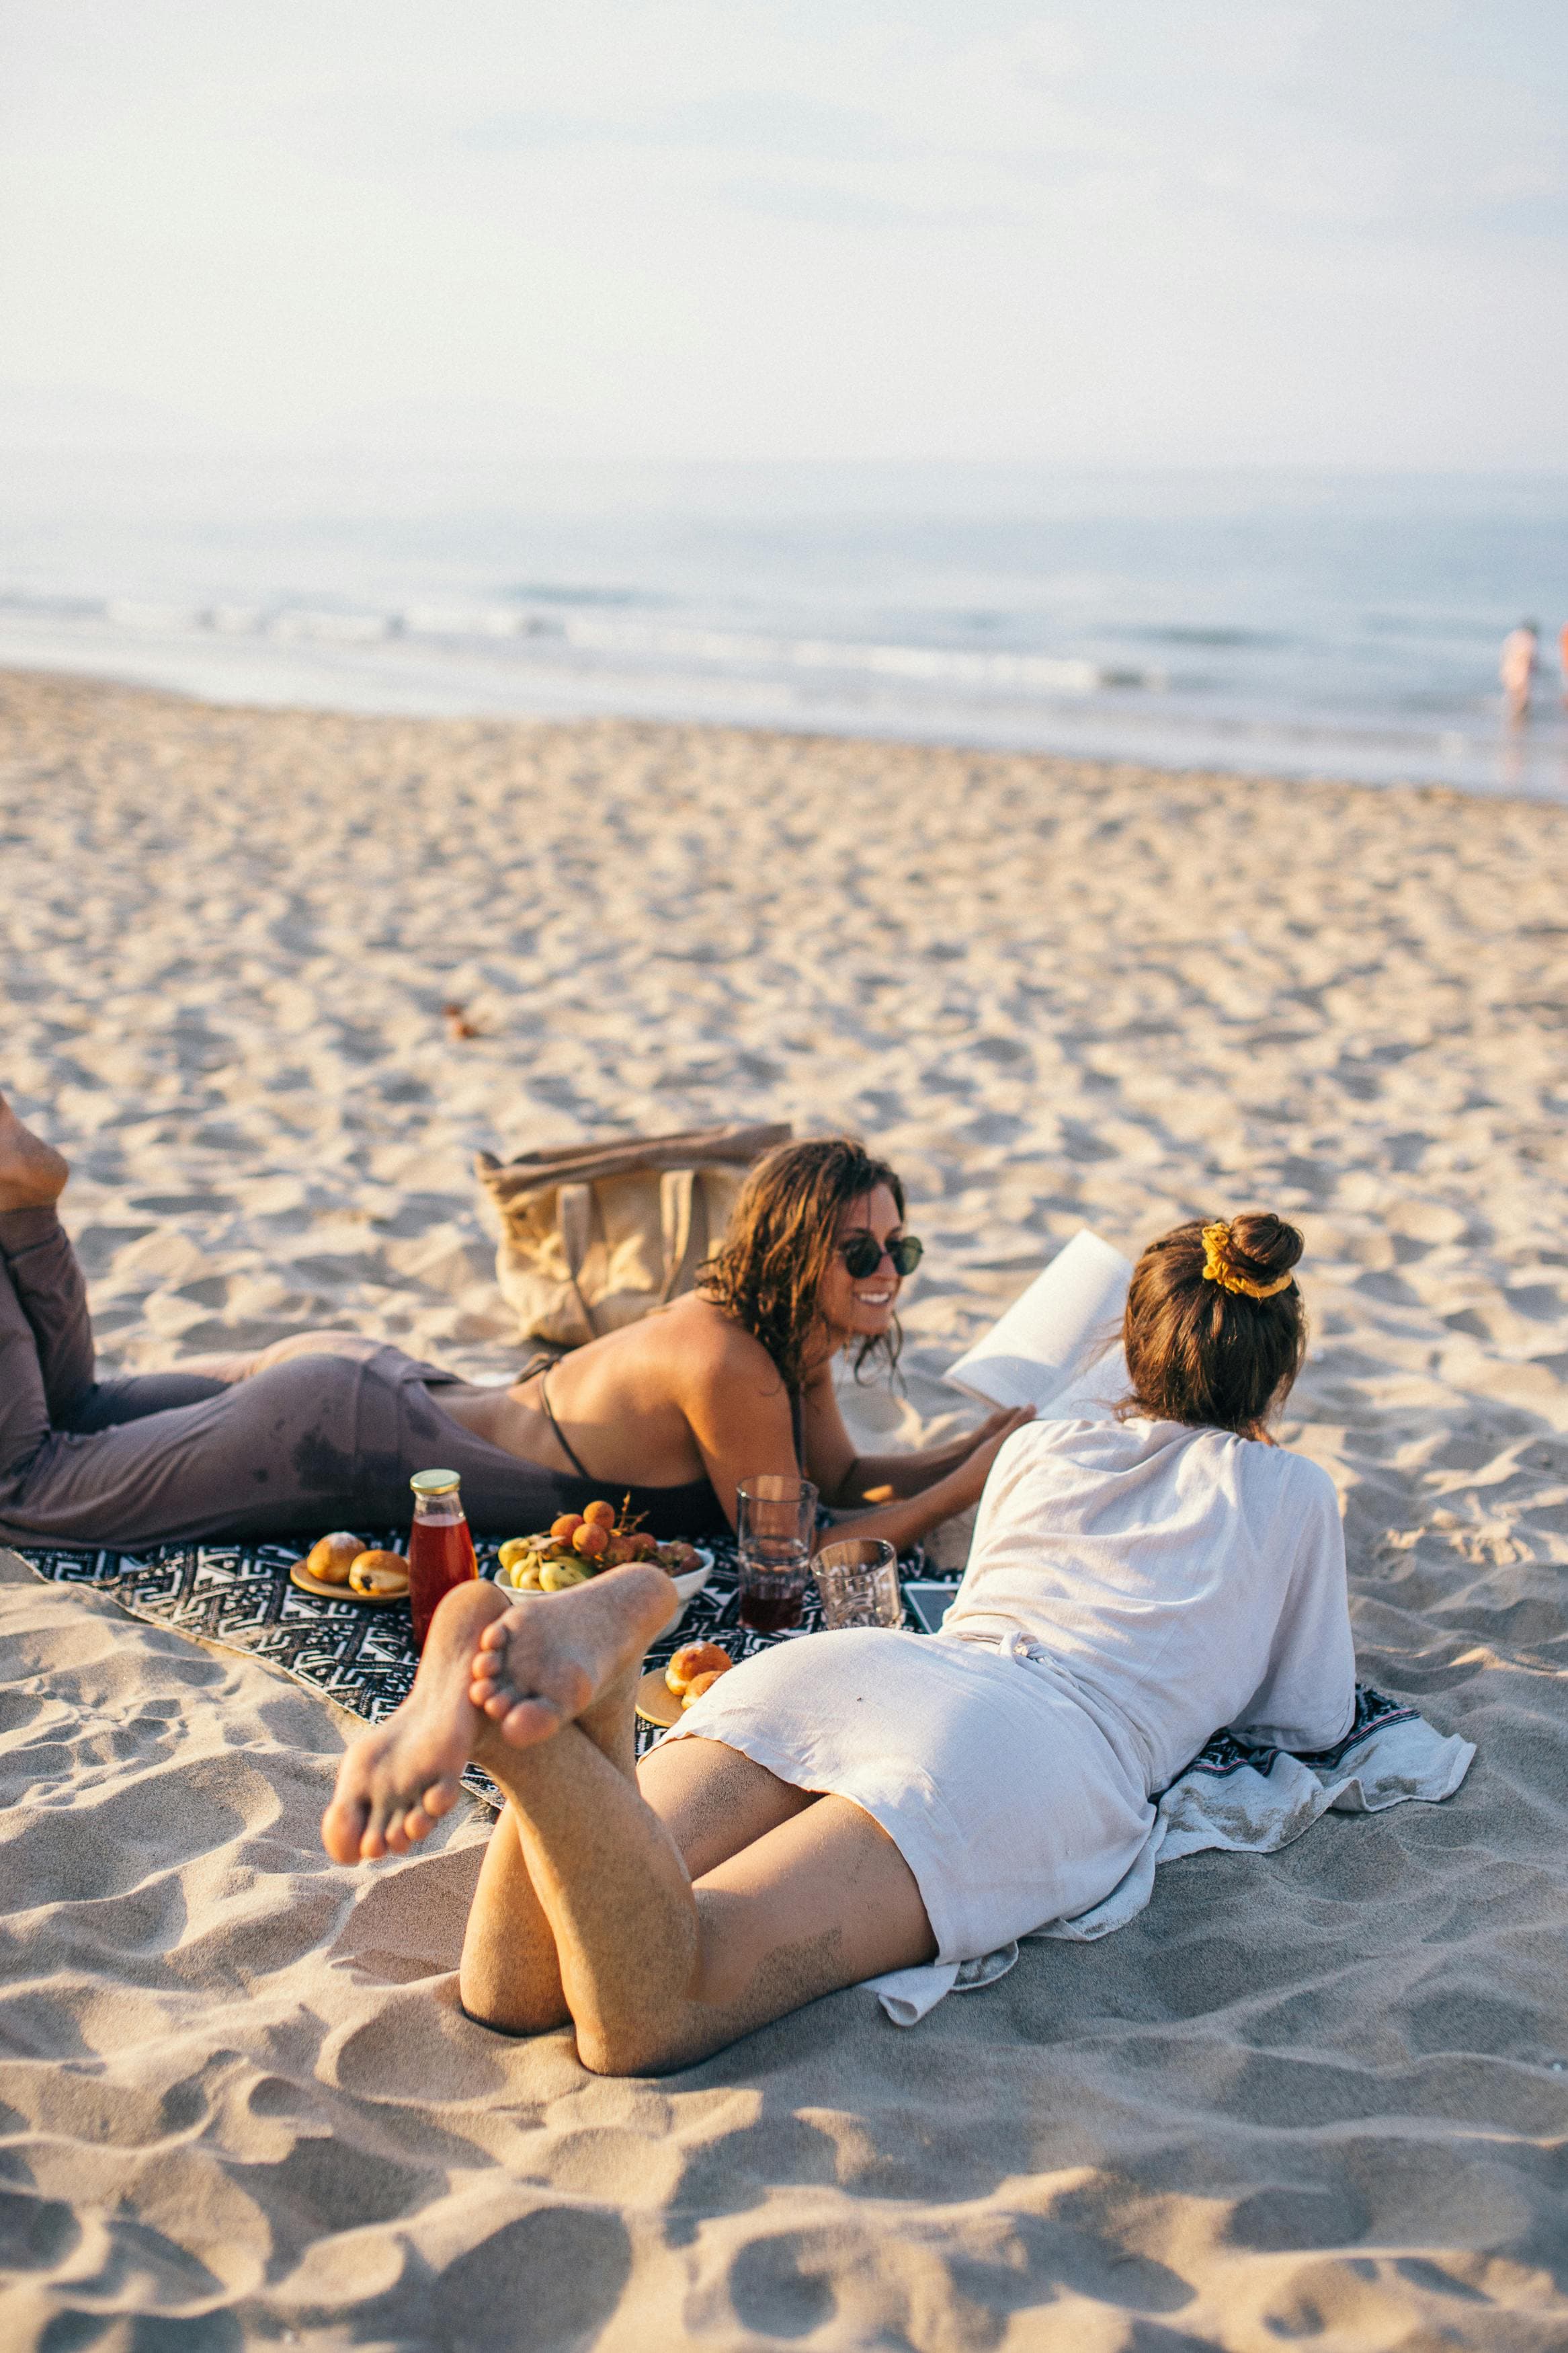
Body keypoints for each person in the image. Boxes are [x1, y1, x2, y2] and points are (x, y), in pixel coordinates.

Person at [323, 1211, 1357, 2075]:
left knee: (512, 1991)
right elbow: (1309, 1715)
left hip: (869, 1668)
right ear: (1279, 1369)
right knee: (652, 2014)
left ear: (1132, 1344)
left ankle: (586, 1689)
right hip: (1024, 1749)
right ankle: (592, 1663)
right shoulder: (1293, 1493)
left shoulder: (1043, 1444)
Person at [0, 1103, 1025, 1552]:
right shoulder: (730, 1363)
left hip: (365, 1384)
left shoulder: (781, 1337)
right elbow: (794, 1558)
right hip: (325, 1440)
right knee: (25, 1484)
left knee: (78, 1411)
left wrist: (967, 1450)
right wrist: (968, 1489)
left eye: (903, 1249)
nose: (888, 1272)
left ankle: (26, 1206)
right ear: (799, 1252)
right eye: (861, 1252)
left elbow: (840, 1483)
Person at [1501, 621, 1538, 721]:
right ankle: (1519, 725)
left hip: (1508, 672)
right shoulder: (1528, 640)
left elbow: (1505, 655)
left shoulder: (1514, 637)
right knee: (1522, 701)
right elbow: (1529, 659)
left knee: (1513, 699)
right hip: (1521, 674)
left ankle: (1513, 723)